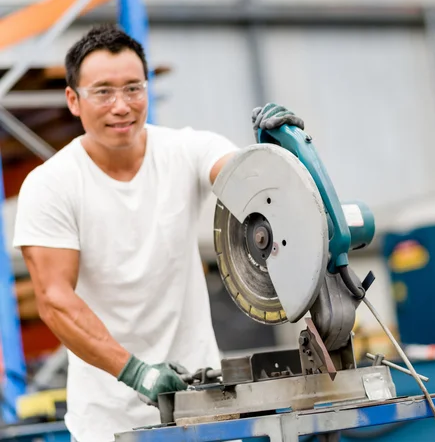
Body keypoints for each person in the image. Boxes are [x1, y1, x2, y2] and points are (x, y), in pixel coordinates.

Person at [12, 24, 305, 442]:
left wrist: (280, 153)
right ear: (73, 100)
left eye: (133, 88)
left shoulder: (186, 151)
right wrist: (136, 373)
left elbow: (247, 181)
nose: (121, 106)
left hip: (203, 407)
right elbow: (55, 300)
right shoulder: (51, 185)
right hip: (109, 423)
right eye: (103, 92)